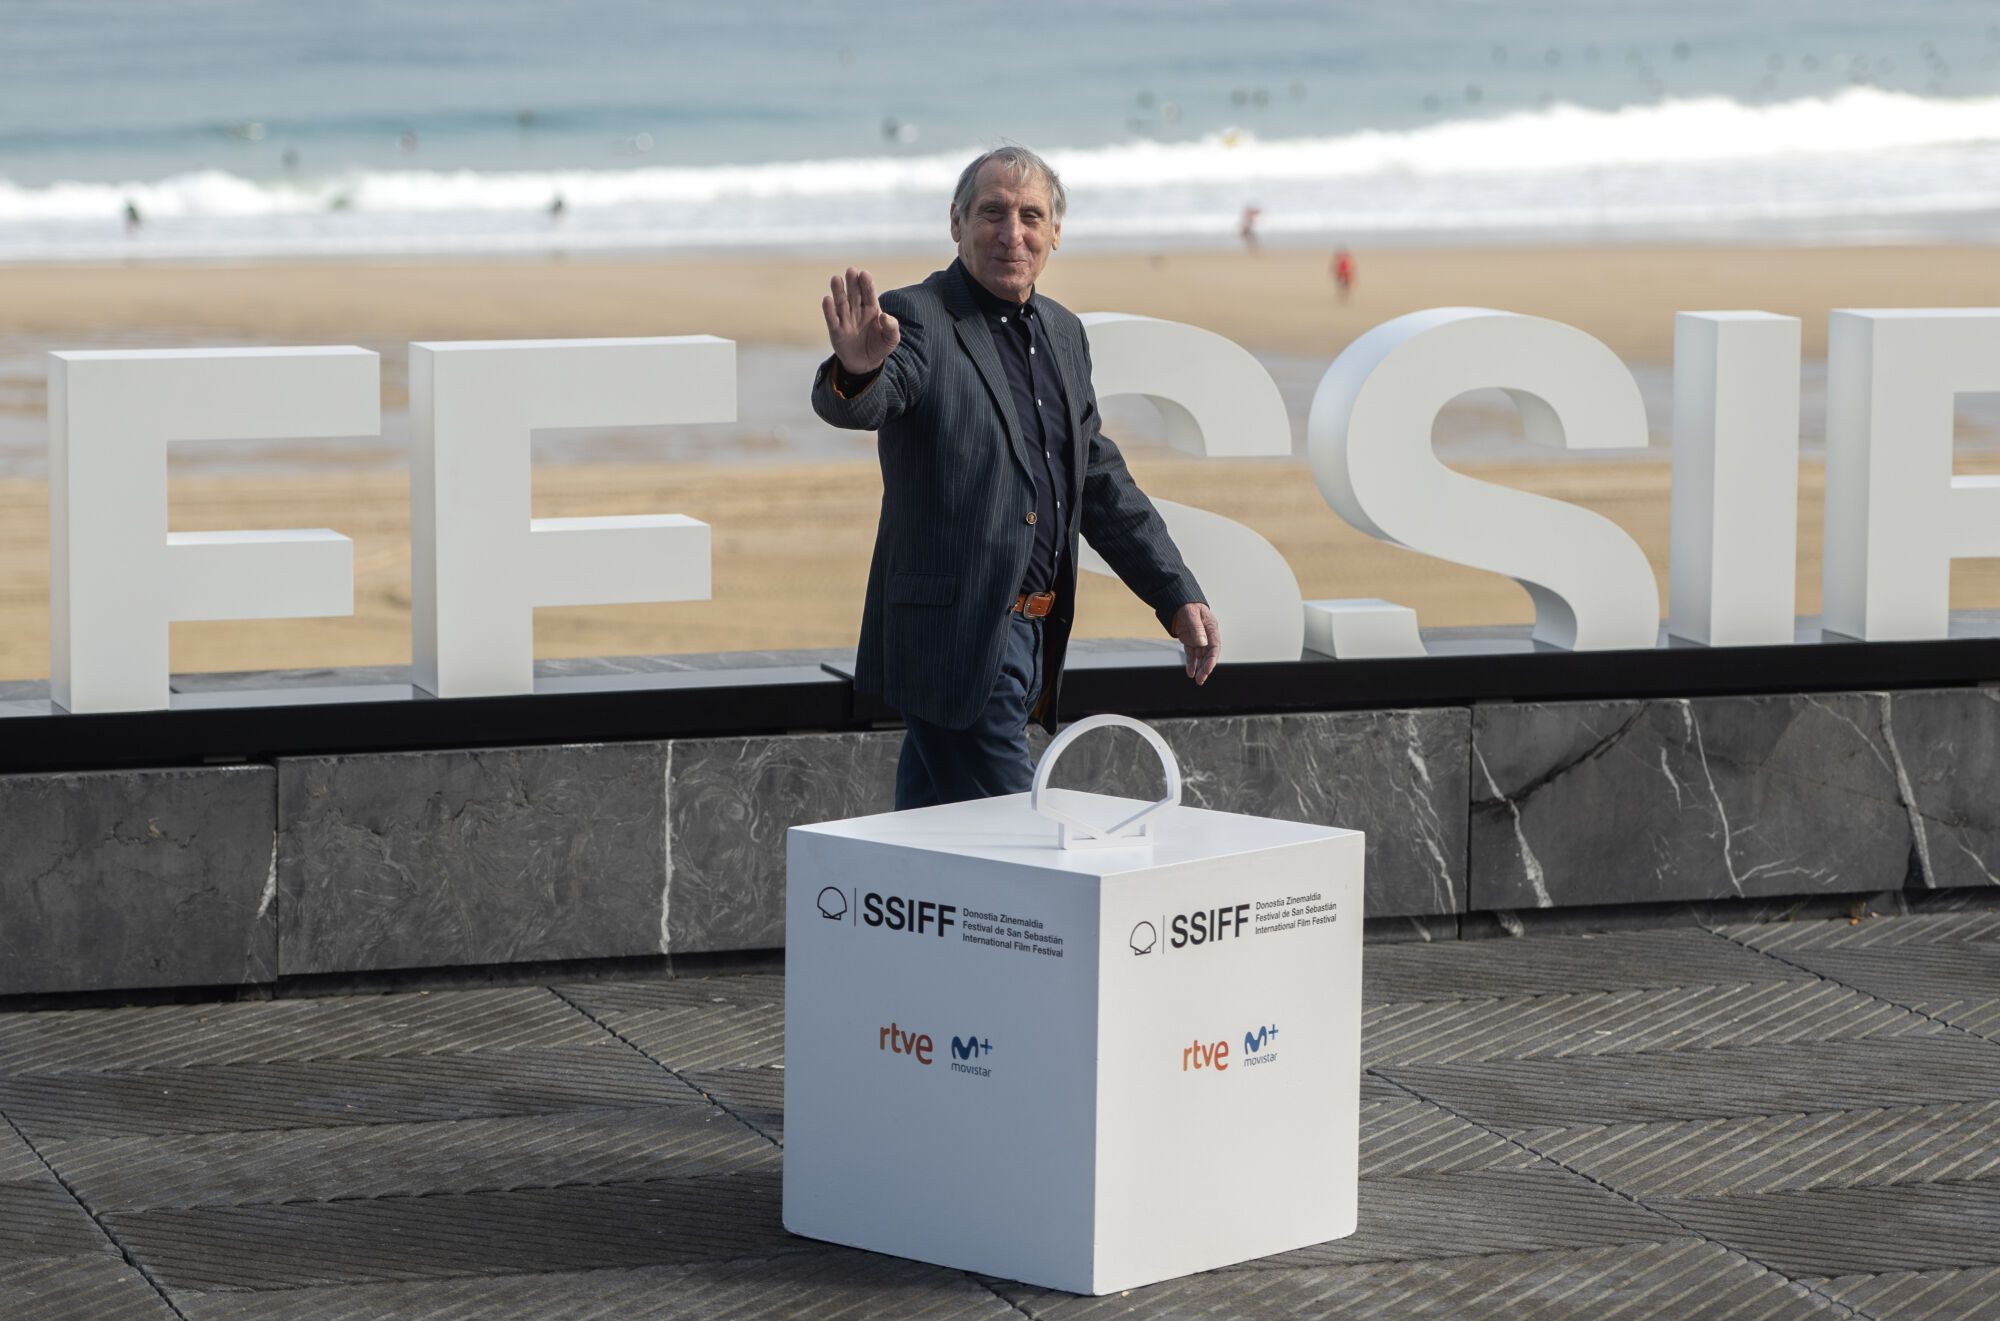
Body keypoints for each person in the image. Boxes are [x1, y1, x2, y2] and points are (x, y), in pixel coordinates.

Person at [812, 145, 1220, 811]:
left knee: (934, 839)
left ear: (1055, 232)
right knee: (1020, 837)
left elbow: (1097, 479)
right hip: (961, 637)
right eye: (992, 213)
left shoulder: (1064, 332)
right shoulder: (917, 316)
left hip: (1035, 634)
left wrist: (1173, 591)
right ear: (957, 222)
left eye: (1031, 216)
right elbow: (865, 401)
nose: (1012, 234)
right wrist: (858, 370)